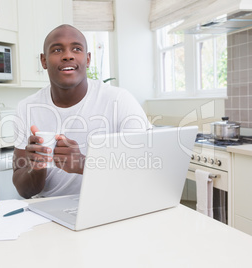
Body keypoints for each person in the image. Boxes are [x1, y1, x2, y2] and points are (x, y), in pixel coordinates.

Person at [12, 24, 151, 199]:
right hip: (47, 210)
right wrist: (37, 168)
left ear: (87, 59)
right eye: (56, 50)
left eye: (76, 49)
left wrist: (83, 164)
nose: (68, 55)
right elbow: (24, 191)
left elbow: (144, 171)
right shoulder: (26, 108)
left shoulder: (120, 101)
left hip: (107, 203)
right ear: (44, 61)